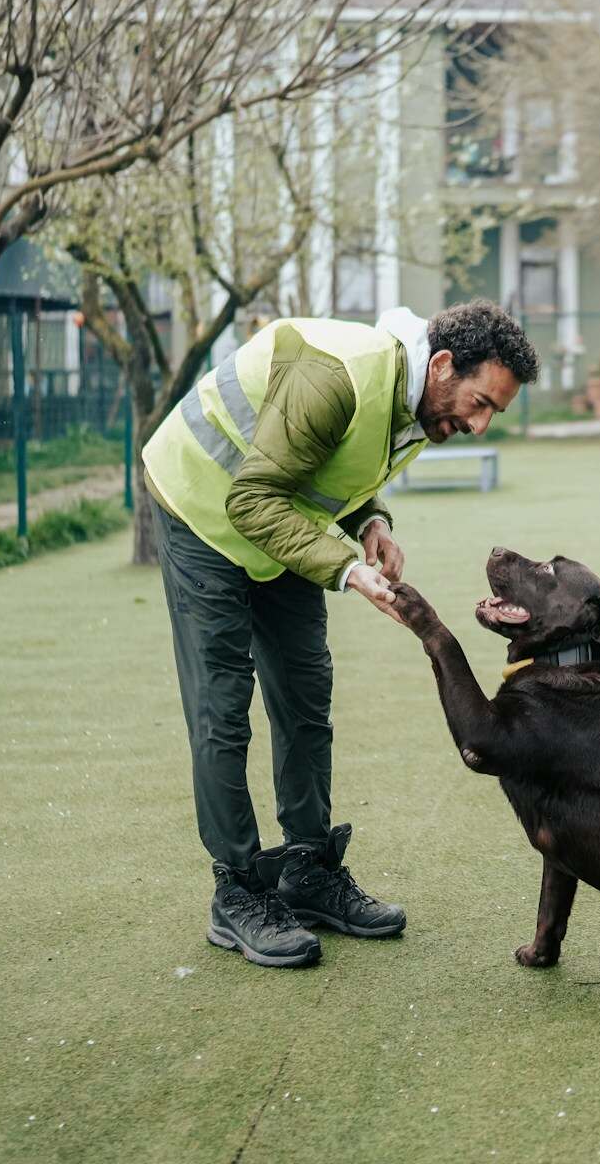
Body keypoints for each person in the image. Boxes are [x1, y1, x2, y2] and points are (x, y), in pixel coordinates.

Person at [141, 300, 538, 967]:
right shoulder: (340, 376)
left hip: (279, 518)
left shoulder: (419, 403)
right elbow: (249, 499)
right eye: (478, 403)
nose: (477, 423)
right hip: (203, 509)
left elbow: (342, 469)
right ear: (441, 365)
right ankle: (236, 892)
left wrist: (371, 523)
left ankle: (308, 870)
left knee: (304, 690)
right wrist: (348, 571)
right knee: (222, 706)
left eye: (492, 412)